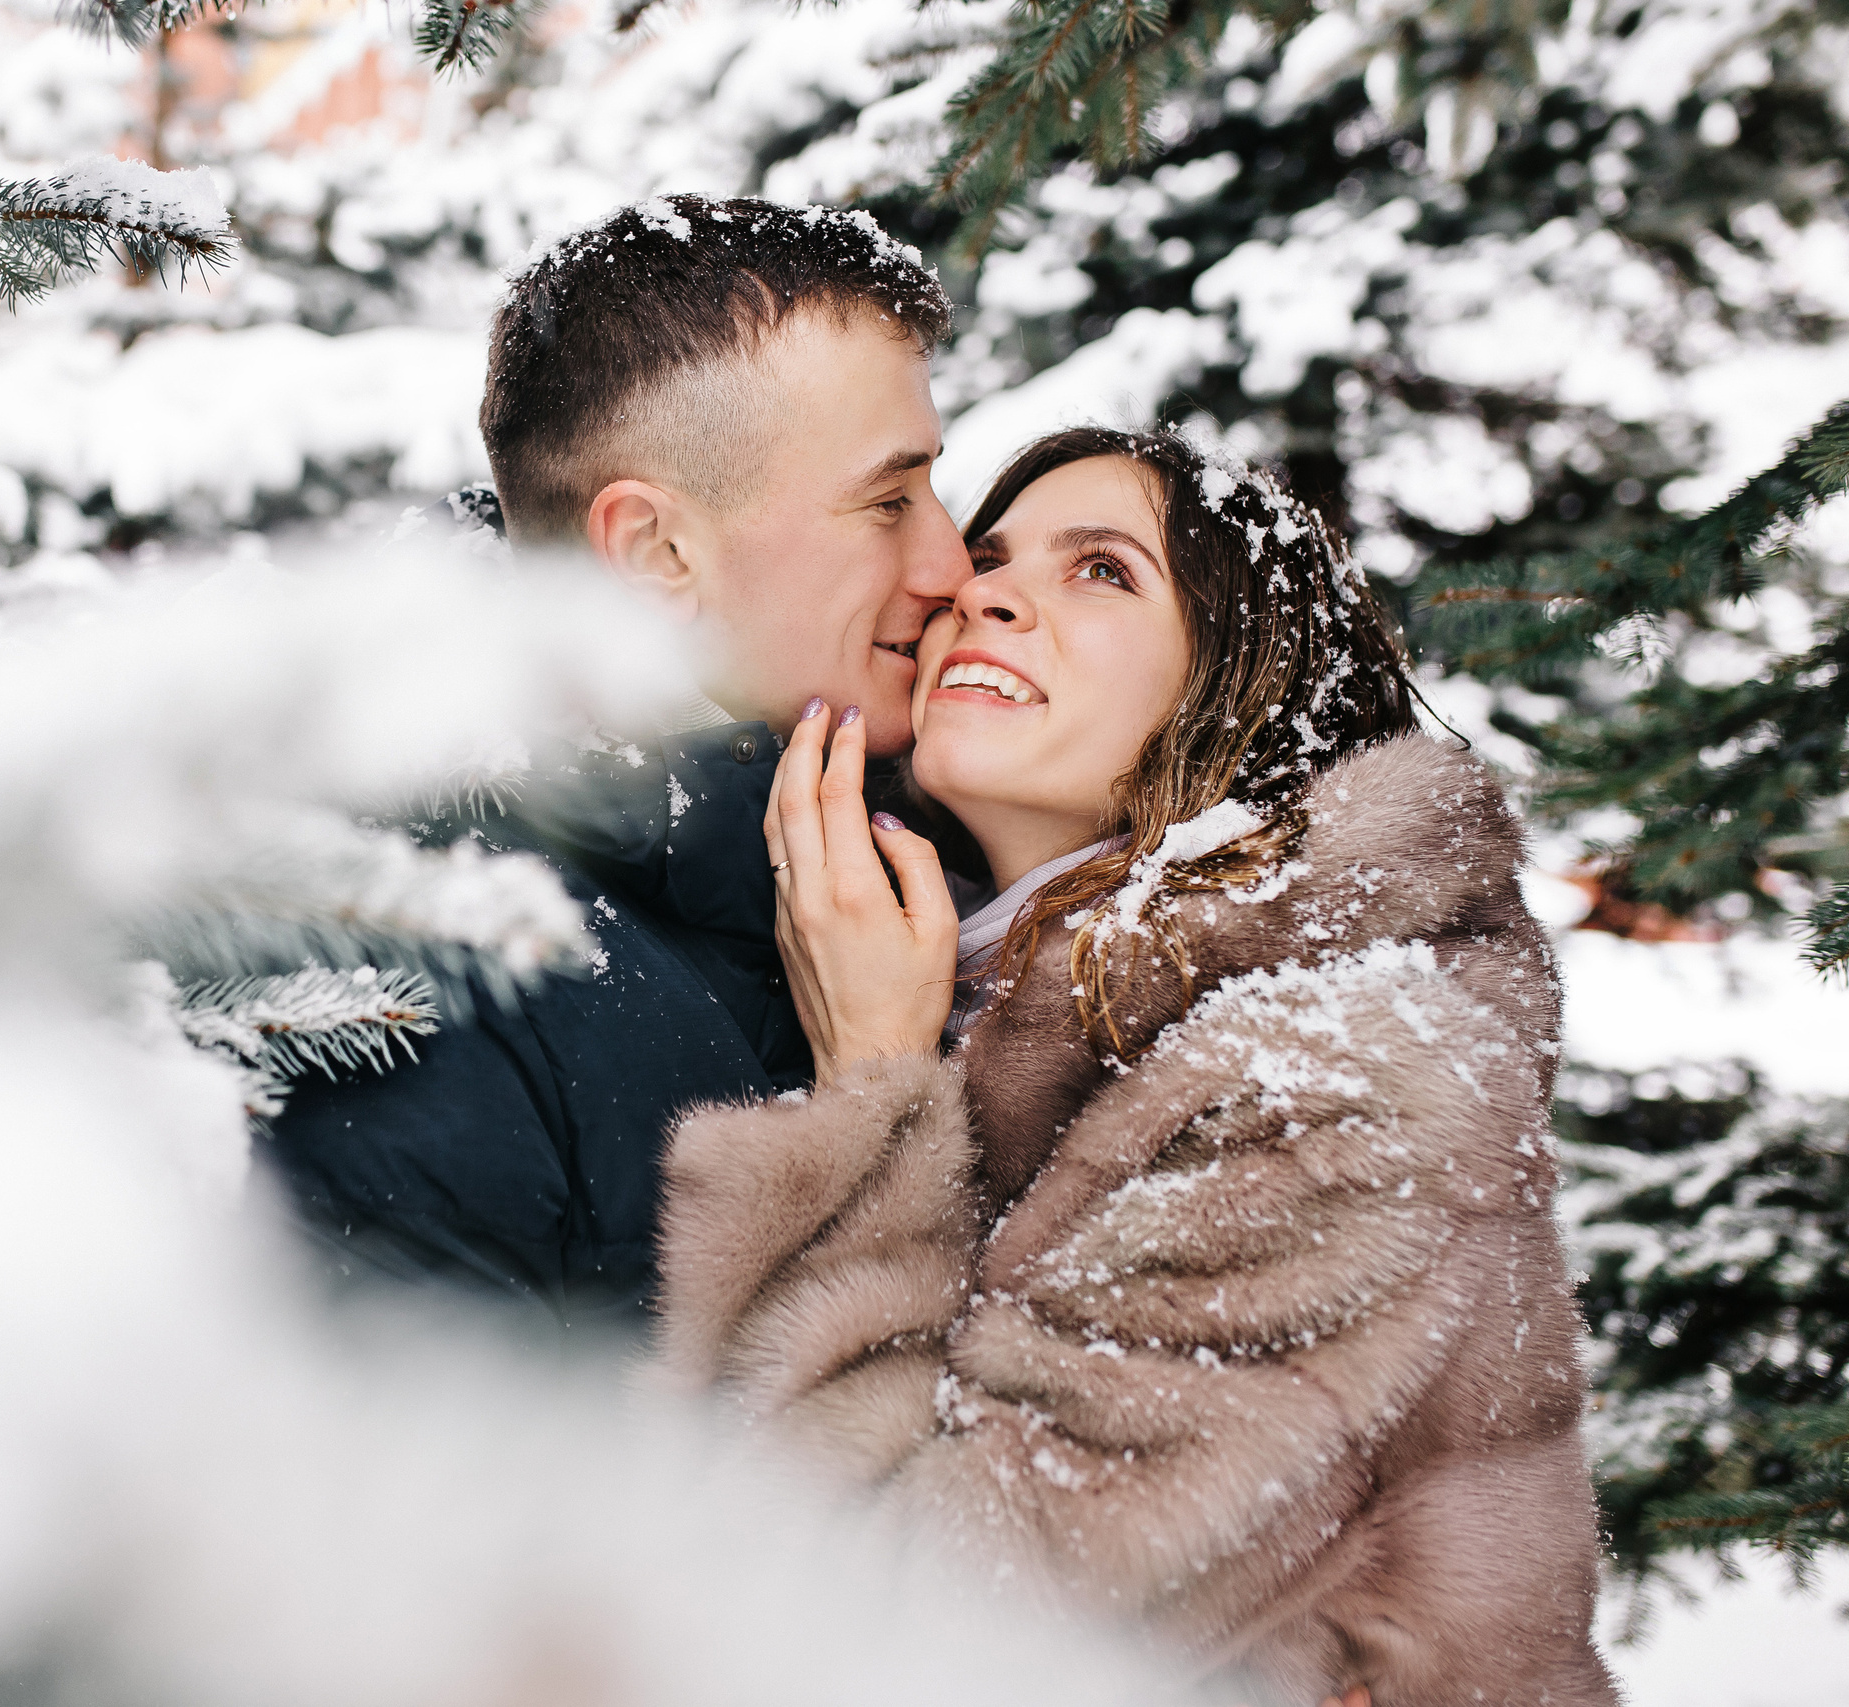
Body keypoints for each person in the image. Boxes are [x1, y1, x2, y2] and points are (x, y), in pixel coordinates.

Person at [654, 428, 1615, 1704]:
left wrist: (871, 1087)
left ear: (1243, 682)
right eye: (990, 559)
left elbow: (925, 1626)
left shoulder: (1328, 1079)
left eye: (1102, 570)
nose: (984, 594)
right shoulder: (985, 990)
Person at [255, 195, 975, 1337]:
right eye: (888, 500)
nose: (952, 564)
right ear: (656, 551)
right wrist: (870, 1099)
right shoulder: (407, 1005)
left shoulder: (933, 823)